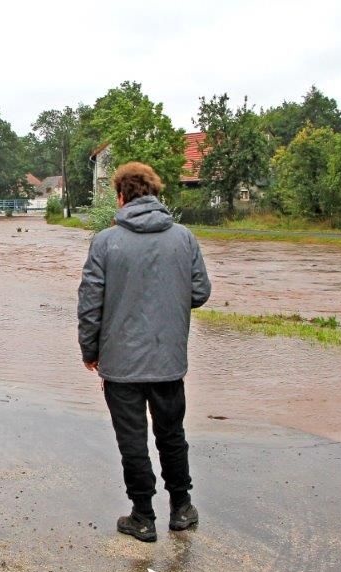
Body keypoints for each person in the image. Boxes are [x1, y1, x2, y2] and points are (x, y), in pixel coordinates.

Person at [77, 161, 211, 543]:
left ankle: (143, 516)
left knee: (131, 440)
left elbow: (89, 304)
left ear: (120, 196)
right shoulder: (184, 238)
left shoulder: (105, 241)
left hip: (120, 365)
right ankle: (182, 509)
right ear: (155, 193)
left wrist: (90, 350)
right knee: (172, 435)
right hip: (169, 361)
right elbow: (200, 292)